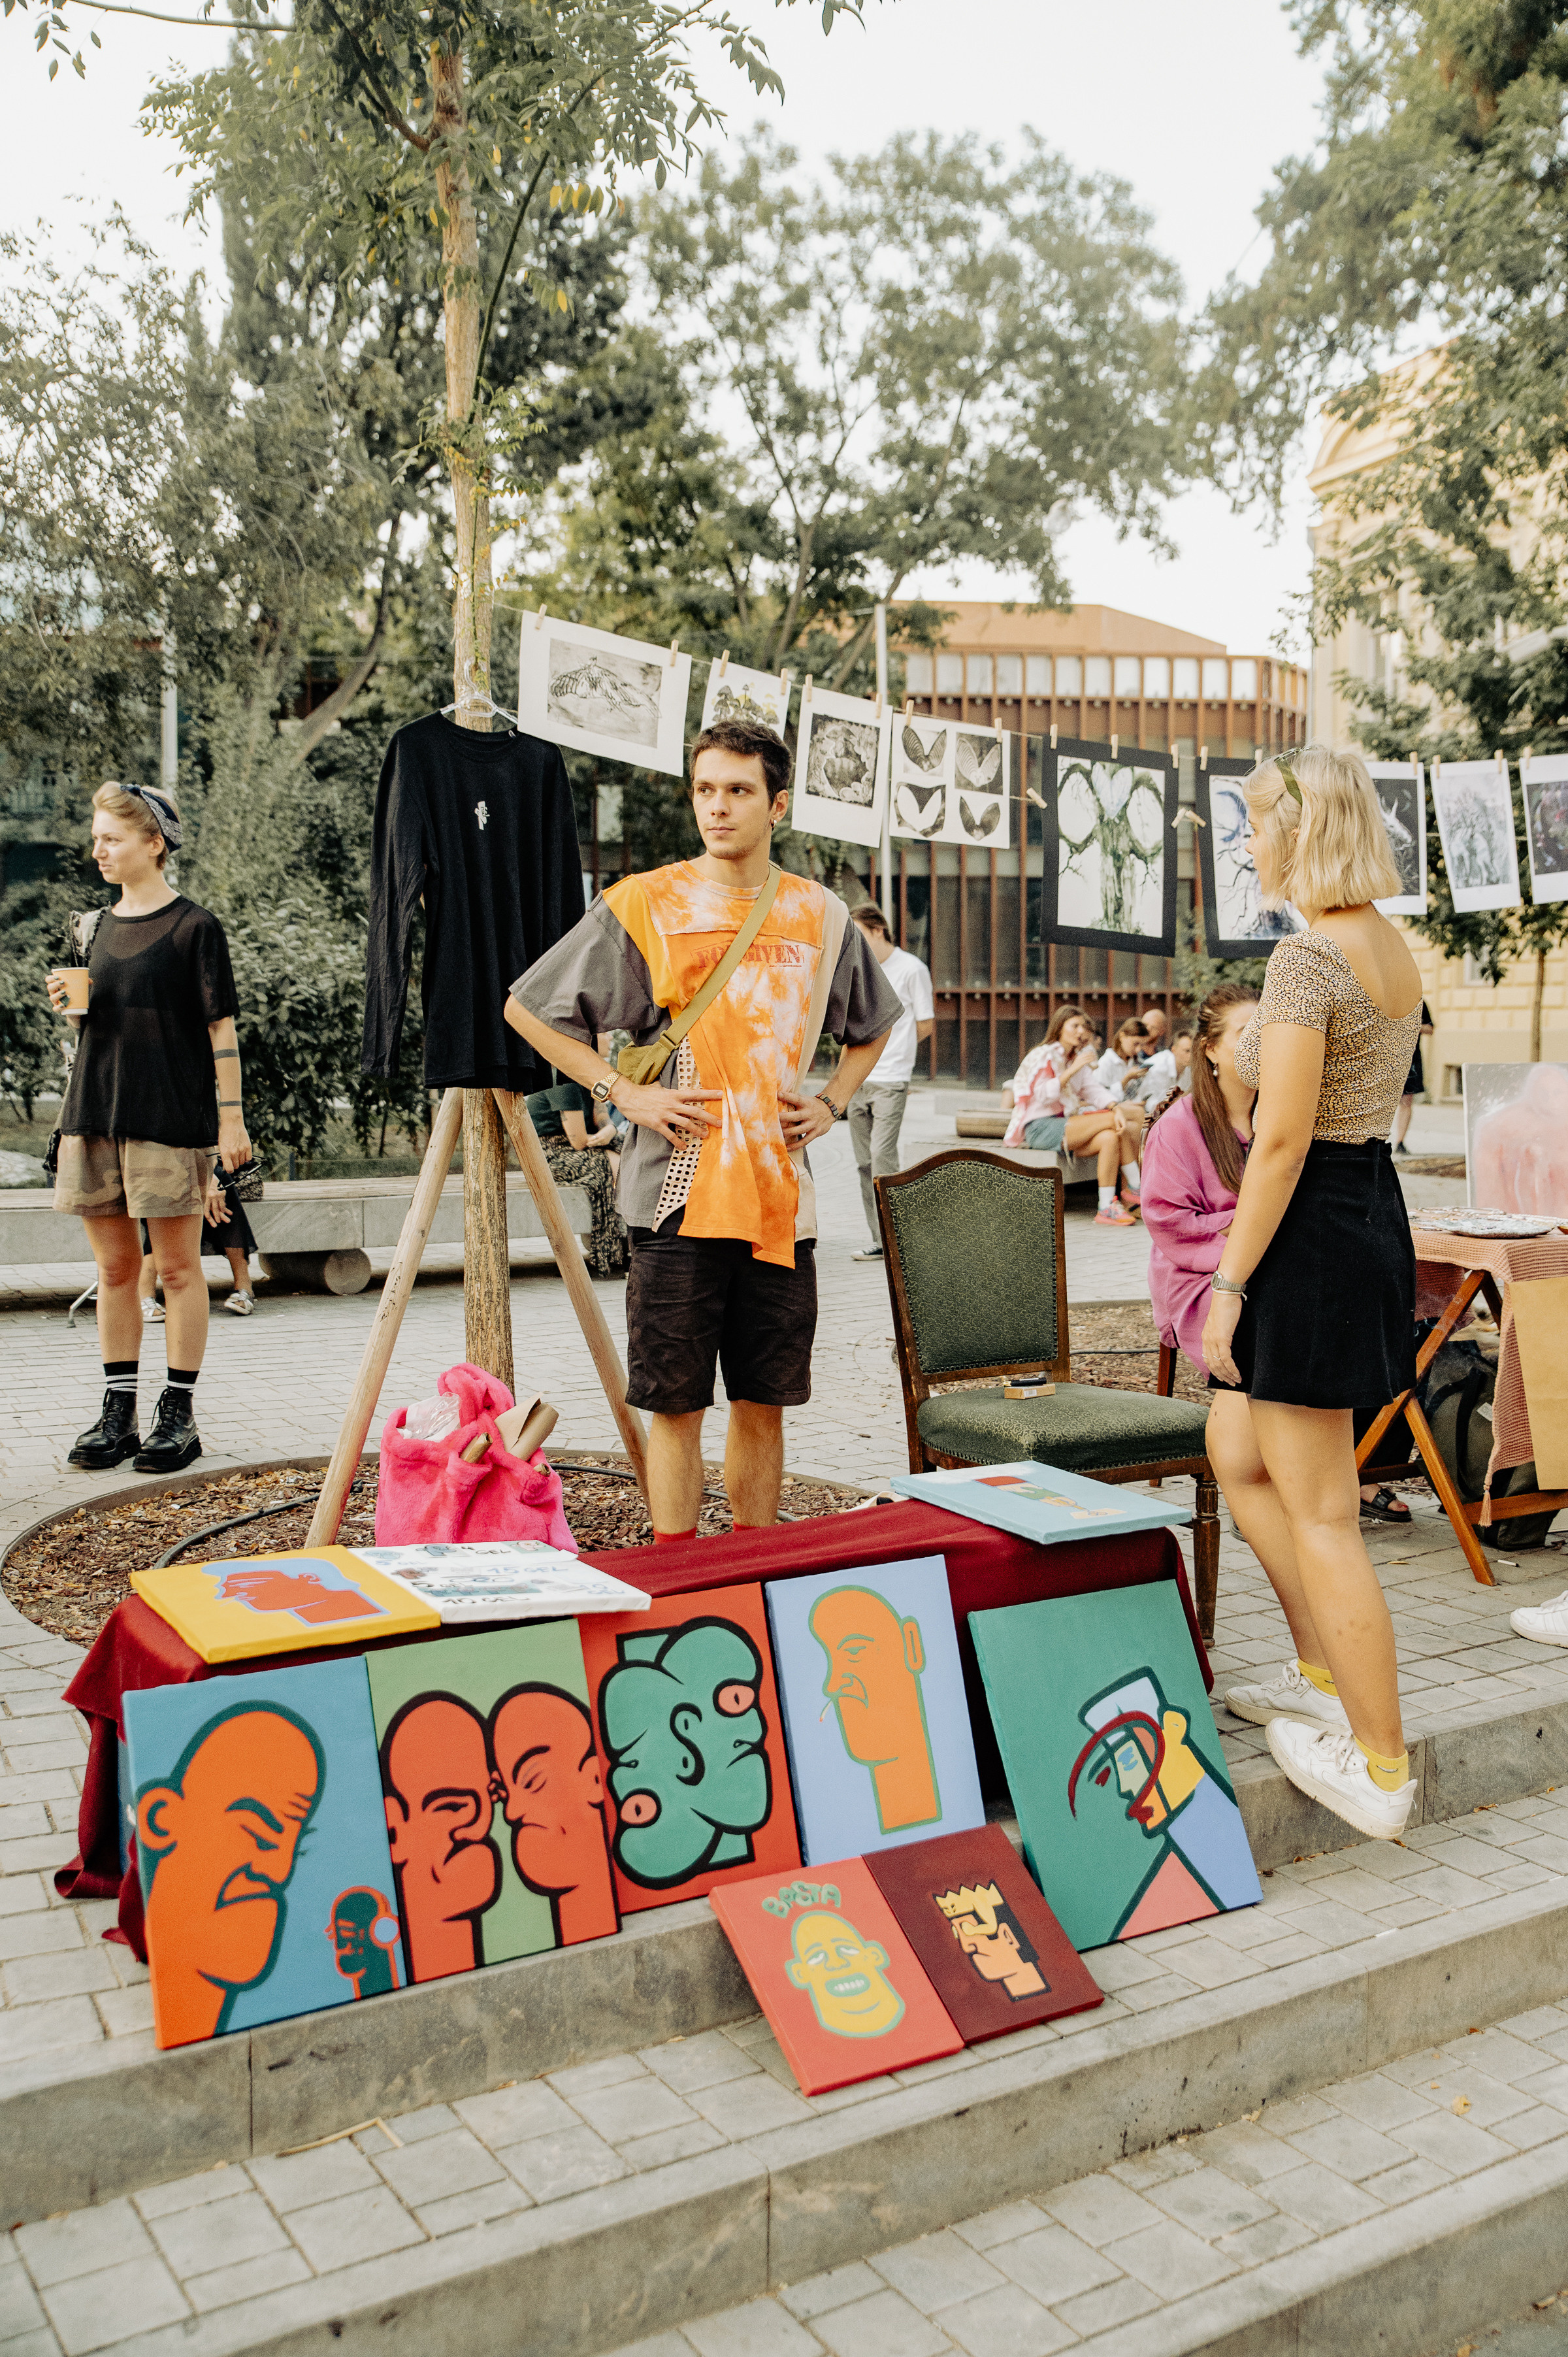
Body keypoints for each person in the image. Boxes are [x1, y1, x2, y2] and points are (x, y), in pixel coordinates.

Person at [504, 716, 899, 1542]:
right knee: (675, 1408)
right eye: (704, 790)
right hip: (674, 1201)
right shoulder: (648, 901)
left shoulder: (821, 915)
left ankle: (754, 1572)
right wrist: (622, 1092)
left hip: (780, 1208)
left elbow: (873, 1025)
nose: (716, 808)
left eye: (738, 791)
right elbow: (529, 1009)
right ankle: (682, 1575)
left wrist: (831, 1103)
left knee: (763, 1405)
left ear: (778, 804)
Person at [1200, 746, 1422, 1840]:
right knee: (1236, 1451)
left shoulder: (1302, 959)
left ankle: (1380, 1762)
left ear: (1301, 830)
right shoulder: (1389, 945)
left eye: (1254, 825)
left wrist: (1228, 1284)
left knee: (1326, 1513)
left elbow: (1279, 1141)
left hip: (1311, 1227)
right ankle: (1322, 1679)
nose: (1248, 845)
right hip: (1368, 1209)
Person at [48, 783, 251, 1475]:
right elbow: (94, 1027)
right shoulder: (89, 928)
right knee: (113, 1268)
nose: (98, 849)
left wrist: (232, 1119)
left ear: (153, 843)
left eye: (111, 837)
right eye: (97, 837)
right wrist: (71, 1010)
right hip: (93, 1112)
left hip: (169, 1116)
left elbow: (220, 1027)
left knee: (176, 1268)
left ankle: (178, 1413)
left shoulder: (195, 928)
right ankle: (118, 1411)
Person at [1139, 985, 1260, 1374]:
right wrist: (1253, 1225)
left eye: (1269, 1030)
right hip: (1198, 1275)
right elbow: (1171, 1223)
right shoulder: (1178, 1127)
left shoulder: (1285, 1118)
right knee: (1285, 1312)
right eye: (1248, 1033)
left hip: (1270, 1260)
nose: (1263, 1042)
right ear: (1210, 1049)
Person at [845, 902, 934, 1262]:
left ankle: (898, 1238)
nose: (856, 943)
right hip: (857, 1081)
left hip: (891, 1079)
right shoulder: (856, 971)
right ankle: (880, 1240)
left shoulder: (912, 969)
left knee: (883, 1157)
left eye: (859, 935)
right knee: (864, 1162)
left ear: (877, 930)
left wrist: (897, 1055)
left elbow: (925, 1024)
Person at [1002, 1004, 1145, 1225]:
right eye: (1074, 1026)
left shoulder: (1077, 1058)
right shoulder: (1044, 1055)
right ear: (1060, 1027)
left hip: (1067, 1126)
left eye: (1083, 1026)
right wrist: (1072, 1070)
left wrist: (1115, 1106)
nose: (1080, 1031)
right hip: (1040, 1128)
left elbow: (1093, 1090)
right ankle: (1136, 1186)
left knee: (1110, 1136)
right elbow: (1041, 1095)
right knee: (1115, 1120)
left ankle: (1106, 1207)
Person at [524, 1072, 627, 1277]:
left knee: (632, 1148)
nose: (606, 1037)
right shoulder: (564, 1081)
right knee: (612, 1165)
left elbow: (603, 1117)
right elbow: (578, 1142)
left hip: (584, 1144)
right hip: (551, 1153)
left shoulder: (591, 1076)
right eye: (601, 1035)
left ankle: (626, 1236)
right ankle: (613, 1246)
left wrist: (609, 1131)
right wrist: (607, 1138)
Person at [1391, 999, 1434, 1155]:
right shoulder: (1387, 998)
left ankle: (1400, 1142)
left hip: (1411, 1058)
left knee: (1407, 1100)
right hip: (1388, 1056)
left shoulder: (1419, 1002)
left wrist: (1412, 1025)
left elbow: (1430, 1028)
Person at [1135, 1019, 1193, 1107]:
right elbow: (1152, 1104)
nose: (1191, 1055)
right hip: (1139, 1107)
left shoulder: (1189, 1069)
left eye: (1193, 1051)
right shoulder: (1159, 1067)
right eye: (1187, 1051)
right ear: (1174, 1050)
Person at [1096, 1017, 1151, 1102]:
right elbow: (1099, 1097)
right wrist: (1127, 1079)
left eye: (1142, 1045)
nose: (1138, 1049)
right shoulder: (1105, 1063)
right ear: (1122, 1036)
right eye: (1136, 1044)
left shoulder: (1138, 1062)